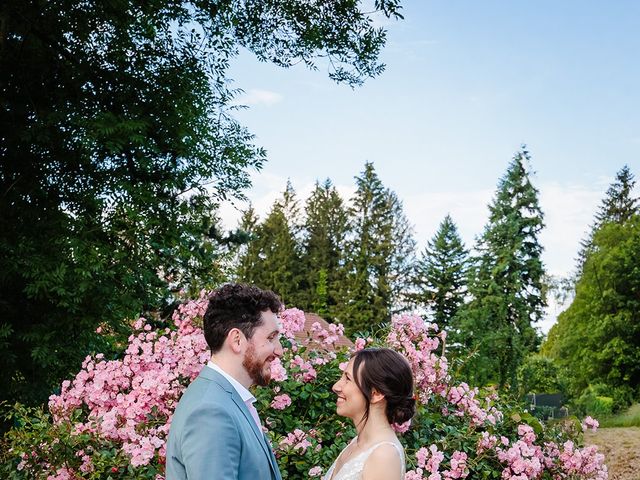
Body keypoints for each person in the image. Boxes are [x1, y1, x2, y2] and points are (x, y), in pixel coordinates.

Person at [166, 283, 284, 480]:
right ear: (237, 340)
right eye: (271, 337)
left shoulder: (226, 400)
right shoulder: (211, 411)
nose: (279, 350)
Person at [324, 348, 415, 480]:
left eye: (347, 379)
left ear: (376, 393)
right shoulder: (357, 444)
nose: (336, 386)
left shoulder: (384, 455)